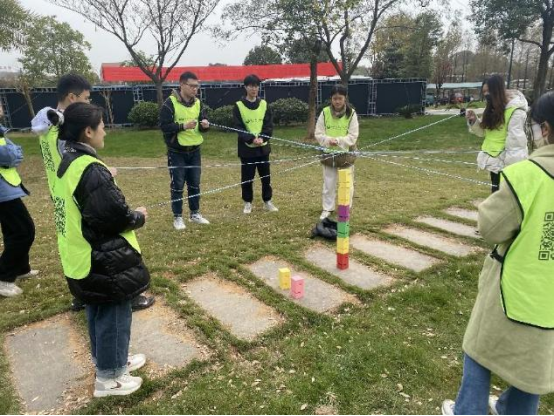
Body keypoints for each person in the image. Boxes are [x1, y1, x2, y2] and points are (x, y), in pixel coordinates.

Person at [442, 92, 554, 416]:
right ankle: (512, 409)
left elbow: (491, 226)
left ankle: (468, 410)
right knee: (532, 365)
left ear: (545, 129)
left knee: (479, 348)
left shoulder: (528, 175)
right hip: (549, 300)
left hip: (513, 290)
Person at [48, 102, 150, 397]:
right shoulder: (88, 168)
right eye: (102, 126)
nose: (105, 130)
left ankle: (110, 360)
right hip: (100, 257)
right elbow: (113, 217)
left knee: (98, 309)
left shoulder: (69, 160)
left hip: (81, 253)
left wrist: (106, 178)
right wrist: (138, 217)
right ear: (88, 131)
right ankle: (110, 378)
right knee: (114, 311)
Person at [32, 74, 154, 312]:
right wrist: (100, 174)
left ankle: (84, 294)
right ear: (72, 97)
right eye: (87, 98)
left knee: (74, 243)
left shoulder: (46, 124)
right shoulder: (62, 129)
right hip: (76, 191)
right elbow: (80, 166)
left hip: (62, 191)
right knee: (98, 244)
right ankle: (120, 296)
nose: (89, 103)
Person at [160, 71, 210, 230]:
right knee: (178, 185)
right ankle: (178, 217)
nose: (195, 89)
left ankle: (195, 213)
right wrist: (183, 126)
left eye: (197, 86)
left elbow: (202, 124)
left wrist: (205, 125)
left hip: (195, 150)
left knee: (195, 183)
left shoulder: (198, 103)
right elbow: (164, 127)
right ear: (182, 85)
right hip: (177, 152)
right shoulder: (169, 103)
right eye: (192, 86)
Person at [466, 75, 528, 193]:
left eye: (488, 91)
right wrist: (474, 121)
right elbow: (484, 133)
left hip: (507, 165)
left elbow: (516, 144)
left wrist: (511, 171)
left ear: (497, 90)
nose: (486, 94)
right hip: (494, 163)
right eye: (484, 92)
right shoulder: (492, 108)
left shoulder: (515, 111)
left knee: (505, 197)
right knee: (496, 194)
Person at [0, 125, 37, 297]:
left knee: (12, 231)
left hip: (6, 189)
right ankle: (3, 278)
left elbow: (14, 153)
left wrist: (12, 152)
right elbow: (9, 155)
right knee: (24, 231)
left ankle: (21, 268)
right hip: (3, 192)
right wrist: (12, 153)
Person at [233, 74, 278, 214]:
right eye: (251, 86)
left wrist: (262, 138)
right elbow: (238, 127)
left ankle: (267, 201)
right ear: (245, 87)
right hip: (247, 149)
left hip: (262, 148)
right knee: (247, 178)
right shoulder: (238, 106)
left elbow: (268, 125)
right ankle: (247, 202)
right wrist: (251, 139)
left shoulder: (264, 104)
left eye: (256, 86)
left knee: (266, 177)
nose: (254, 89)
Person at [315, 85, 359, 221]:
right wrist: (328, 140)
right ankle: (327, 208)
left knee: (347, 183)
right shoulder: (324, 112)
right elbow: (318, 133)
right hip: (328, 155)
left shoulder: (352, 114)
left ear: (345, 98)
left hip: (346, 155)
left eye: (340, 98)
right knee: (329, 184)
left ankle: (345, 208)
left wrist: (339, 141)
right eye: (335, 98)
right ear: (331, 99)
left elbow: (353, 135)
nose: (337, 101)